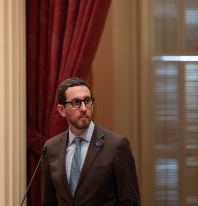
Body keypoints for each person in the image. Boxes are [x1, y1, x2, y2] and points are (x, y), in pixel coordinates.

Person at [42, 77, 141, 205]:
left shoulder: (116, 146)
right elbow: (49, 202)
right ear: (62, 110)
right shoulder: (51, 148)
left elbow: (130, 202)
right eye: (76, 102)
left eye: (87, 101)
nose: (83, 108)